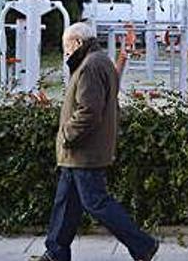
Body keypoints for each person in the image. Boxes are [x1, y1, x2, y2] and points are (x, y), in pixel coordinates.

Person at [33, 22, 159, 261]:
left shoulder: (90, 66)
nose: (65, 51)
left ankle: (143, 245)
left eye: (66, 45)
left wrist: (67, 134)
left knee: (96, 203)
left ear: (78, 42)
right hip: (81, 151)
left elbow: (89, 111)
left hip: (84, 150)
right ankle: (56, 252)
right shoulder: (98, 61)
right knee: (66, 204)